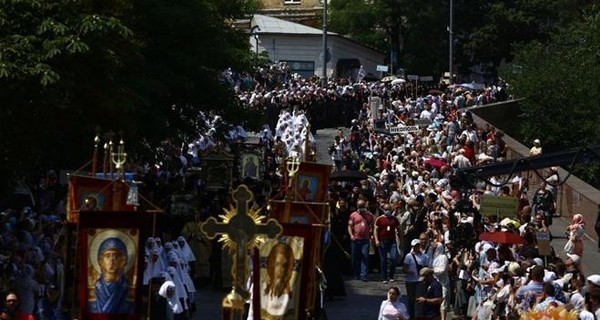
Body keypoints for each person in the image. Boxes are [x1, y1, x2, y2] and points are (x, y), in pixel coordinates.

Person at [89, 237, 134, 314]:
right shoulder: (94, 288)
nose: (112, 261)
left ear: (123, 261)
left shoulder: (128, 288)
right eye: (107, 256)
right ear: (100, 261)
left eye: (116, 256)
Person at [261, 242, 296, 319]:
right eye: (277, 264)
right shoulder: (262, 287)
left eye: (284, 265)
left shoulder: (294, 291)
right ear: (272, 265)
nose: (281, 270)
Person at [348, 200, 374, 282]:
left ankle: (364, 275)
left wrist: (372, 233)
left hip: (365, 240)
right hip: (355, 239)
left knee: (365, 257)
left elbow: (373, 225)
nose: (361, 208)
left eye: (362, 206)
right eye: (360, 207)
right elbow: (349, 226)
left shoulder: (369, 215)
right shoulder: (353, 215)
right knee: (355, 257)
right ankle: (356, 274)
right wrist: (351, 235)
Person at [403, 239, 429, 320]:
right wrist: (408, 271)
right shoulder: (408, 256)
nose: (416, 247)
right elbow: (405, 268)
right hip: (410, 280)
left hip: (420, 281)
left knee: (419, 300)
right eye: (414, 246)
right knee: (411, 300)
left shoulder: (424, 256)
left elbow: (426, 268)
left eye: (418, 245)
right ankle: (411, 316)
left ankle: (419, 316)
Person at [374, 203, 400, 283]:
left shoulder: (394, 219)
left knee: (393, 258)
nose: (387, 211)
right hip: (382, 241)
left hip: (392, 241)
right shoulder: (379, 219)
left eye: (388, 209)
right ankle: (384, 277)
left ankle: (391, 275)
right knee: (383, 260)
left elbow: (399, 229)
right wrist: (376, 240)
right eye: (385, 209)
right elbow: (376, 230)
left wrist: (400, 240)